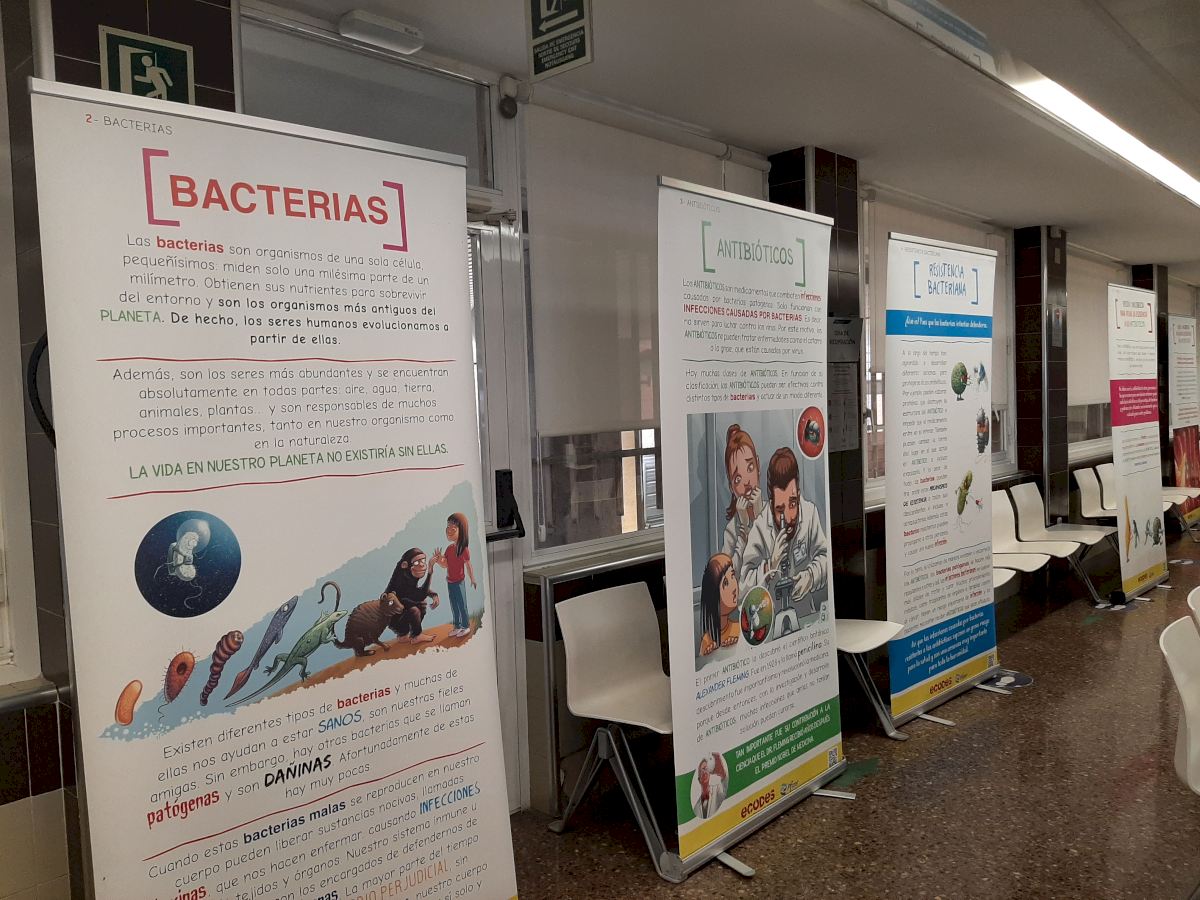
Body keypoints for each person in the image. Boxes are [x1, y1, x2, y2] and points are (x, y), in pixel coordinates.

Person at [741, 447, 829, 618]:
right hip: (771, 625)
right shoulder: (760, 528)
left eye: (793, 503)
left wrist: (811, 577)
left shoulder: (809, 513)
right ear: (771, 503)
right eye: (780, 509)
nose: (788, 517)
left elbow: (826, 558)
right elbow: (743, 590)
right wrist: (769, 566)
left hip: (805, 619)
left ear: (798, 493)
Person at [721, 425, 762, 580]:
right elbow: (729, 581)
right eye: (738, 478)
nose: (746, 482)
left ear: (758, 465)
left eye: (750, 467)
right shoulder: (731, 531)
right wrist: (744, 530)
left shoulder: (775, 511)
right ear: (731, 487)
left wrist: (760, 518)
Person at [385, 548, 440, 643]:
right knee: (416, 608)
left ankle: (403, 635)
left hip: (400, 614)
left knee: (417, 606)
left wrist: (433, 594)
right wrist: (430, 572)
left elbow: (416, 590)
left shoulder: (407, 575)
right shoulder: (400, 580)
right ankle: (416, 636)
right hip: (394, 619)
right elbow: (419, 595)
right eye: (416, 562)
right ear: (405, 565)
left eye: (423, 561)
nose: (421, 564)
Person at [434, 513, 476, 638]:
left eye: (453, 528)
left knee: (462, 604)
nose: (449, 530)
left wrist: (472, 578)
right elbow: (446, 565)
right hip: (450, 582)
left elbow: (468, 565)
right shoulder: (449, 548)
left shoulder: (463, 549)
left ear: (461, 531)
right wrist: (439, 560)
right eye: (448, 527)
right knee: (454, 605)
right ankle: (457, 627)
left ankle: (465, 626)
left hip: (459, 582)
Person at [698, 553, 740, 656]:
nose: (734, 587)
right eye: (726, 583)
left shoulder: (738, 629)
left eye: (732, 576)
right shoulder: (706, 641)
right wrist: (709, 654)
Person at [692, 753, 727, 820]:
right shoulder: (696, 807)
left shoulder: (717, 788)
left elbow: (725, 797)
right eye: (702, 770)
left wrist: (723, 774)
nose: (704, 772)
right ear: (699, 779)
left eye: (706, 769)